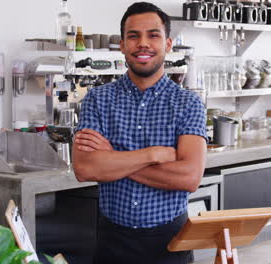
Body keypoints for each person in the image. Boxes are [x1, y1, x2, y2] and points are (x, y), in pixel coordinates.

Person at [72, 2, 207, 264]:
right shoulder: (98, 100)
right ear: (122, 45)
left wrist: (112, 158)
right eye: (133, 36)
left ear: (168, 44)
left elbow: (190, 177)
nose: (142, 43)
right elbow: (85, 169)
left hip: (171, 244)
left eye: (153, 35)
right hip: (112, 242)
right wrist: (154, 154)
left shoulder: (188, 103)